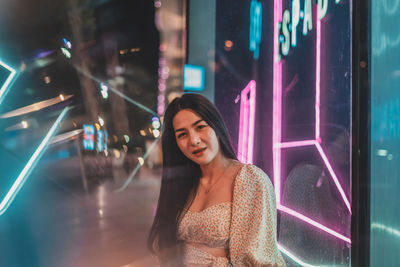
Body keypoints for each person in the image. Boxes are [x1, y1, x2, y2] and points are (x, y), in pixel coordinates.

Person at [148, 93, 286, 266]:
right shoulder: (183, 184)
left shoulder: (249, 180)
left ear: (216, 126)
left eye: (200, 127)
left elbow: (259, 259)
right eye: (182, 134)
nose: (194, 140)